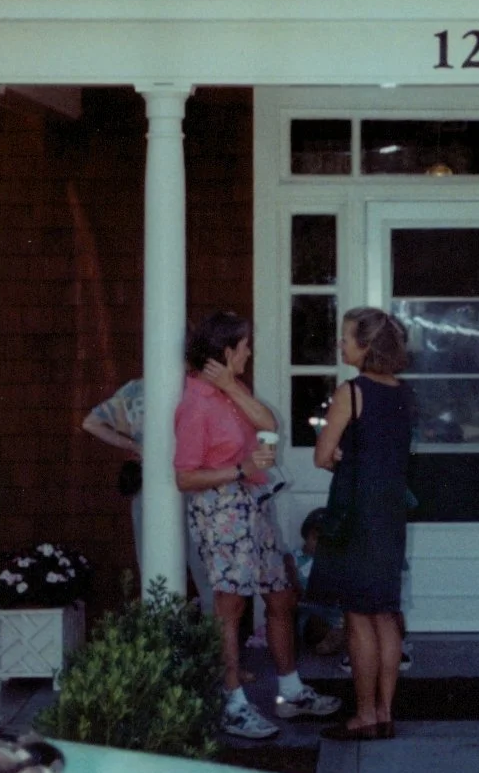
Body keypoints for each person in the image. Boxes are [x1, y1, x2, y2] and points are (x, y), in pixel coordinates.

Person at [173, 311, 341, 739]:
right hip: (221, 508)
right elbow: (185, 477)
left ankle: (291, 693)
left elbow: (269, 424)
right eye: (244, 345)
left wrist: (230, 385)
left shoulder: (229, 391)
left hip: (254, 503)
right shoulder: (195, 403)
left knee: (281, 595)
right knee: (230, 607)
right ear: (226, 350)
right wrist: (239, 468)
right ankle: (232, 705)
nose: (249, 351)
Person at [308, 307, 415, 741]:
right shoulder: (403, 393)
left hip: (356, 513)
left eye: (347, 338)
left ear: (366, 346)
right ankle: (385, 713)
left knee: (357, 616)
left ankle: (365, 715)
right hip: (390, 510)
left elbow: (321, 455)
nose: (341, 344)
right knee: (385, 614)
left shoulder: (351, 392)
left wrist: (344, 464)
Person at [82, 378, 213, 614]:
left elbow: (92, 423)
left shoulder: (136, 388)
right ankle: (215, 640)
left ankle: (164, 639)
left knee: (155, 565)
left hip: (158, 485)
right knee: (206, 569)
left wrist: (137, 447)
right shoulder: (200, 388)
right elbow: (90, 423)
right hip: (195, 483)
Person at [285, 508, 345, 656]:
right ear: (306, 535)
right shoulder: (294, 559)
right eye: (316, 539)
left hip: (334, 612)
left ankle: (336, 637)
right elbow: (294, 587)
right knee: (313, 625)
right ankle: (332, 638)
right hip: (310, 609)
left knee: (354, 622)